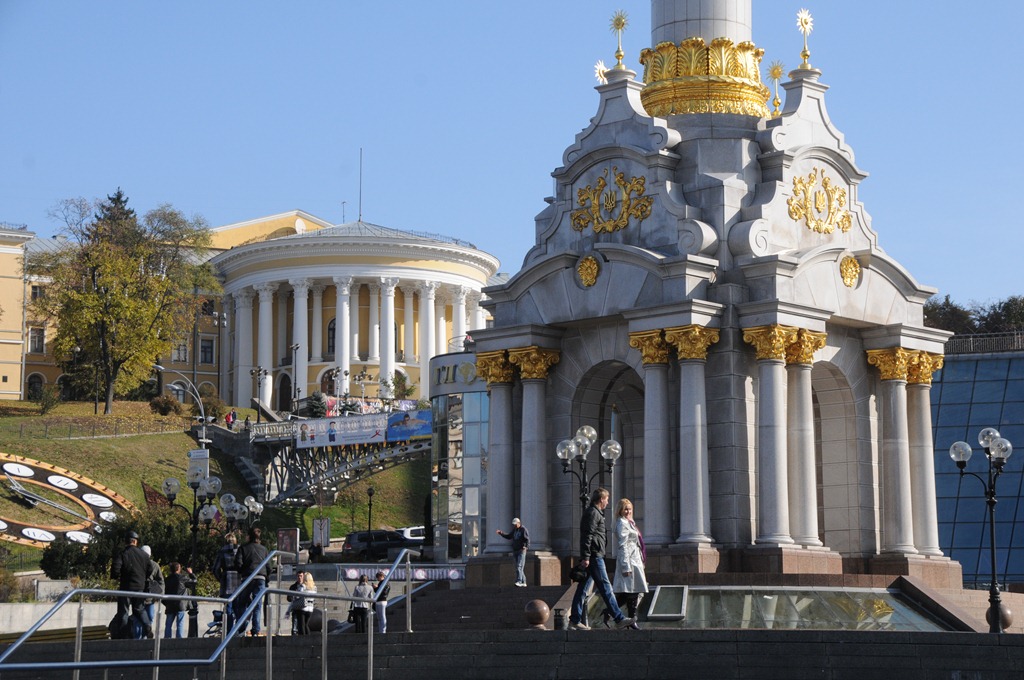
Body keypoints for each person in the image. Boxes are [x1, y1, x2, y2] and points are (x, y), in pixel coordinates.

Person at [568, 488, 636, 631]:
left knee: (582, 590)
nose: (607, 502)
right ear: (601, 499)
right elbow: (587, 535)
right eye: (606, 499)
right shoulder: (593, 513)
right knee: (606, 587)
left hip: (594, 555)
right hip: (594, 557)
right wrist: (586, 557)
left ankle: (574, 620)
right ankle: (619, 619)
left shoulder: (596, 513)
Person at [608, 498, 648, 628]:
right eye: (625, 509)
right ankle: (631, 619)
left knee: (633, 591)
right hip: (629, 560)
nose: (628, 511)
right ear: (620, 510)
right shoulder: (622, 523)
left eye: (630, 509)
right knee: (632, 591)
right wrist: (626, 566)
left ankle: (611, 612)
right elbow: (623, 546)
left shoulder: (630, 522)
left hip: (635, 559)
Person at [110, 530, 153, 639]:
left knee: (124, 611)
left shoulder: (123, 554)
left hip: (126, 587)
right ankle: (147, 626)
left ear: (126, 541)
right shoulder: (144, 555)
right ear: (135, 541)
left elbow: (115, 568)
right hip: (139, 587)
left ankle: (123, 635)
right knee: (140, 609)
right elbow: (150, 569)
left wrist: (116, 576)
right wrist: (142, 578)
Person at [234, 527, 269, 636]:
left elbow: (238, 564)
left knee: (242, 603)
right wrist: (265, 575)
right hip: (261, 577)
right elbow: (269, 566)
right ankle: (256, 628)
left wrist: (243, 571)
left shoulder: (243, 548)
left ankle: (241, 627)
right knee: (257, 604)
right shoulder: (264, 549)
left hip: (247, 577)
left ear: (249, 536)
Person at [213, 533, 239, 632]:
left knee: (228, 608)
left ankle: (229, 631)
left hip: (227, 581)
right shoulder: (240, 550)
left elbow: (215, 569)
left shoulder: (222, 551)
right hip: (239, 582)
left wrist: (221, 578)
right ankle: (239, 630)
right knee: (238, 608)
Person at [163, 562, 195, 638]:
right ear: (178, 569)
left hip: (170, 604)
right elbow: (194, 582)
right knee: (180, 623)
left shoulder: (167, 579)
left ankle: (166, 640)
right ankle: (179, 640)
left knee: (168, 624)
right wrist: (191, 573)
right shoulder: (182, 578)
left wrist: (165, 603)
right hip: (180, 604)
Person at [495, 517, 530, 587]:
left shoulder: (523, 530)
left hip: (521, 550)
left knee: (519, 566)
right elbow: (509, 536)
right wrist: (501, 533)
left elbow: (527, 539)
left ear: (519, 523)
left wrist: (526, 546)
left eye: (515, 524)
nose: (514, 526)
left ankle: (519, 581)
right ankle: (524, 581)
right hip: (515, 550)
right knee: (518, 567)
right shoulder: (514, 530)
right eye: (514, 524)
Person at [140, 545, 164, 639]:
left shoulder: (155, 565)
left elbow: (160, 580)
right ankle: (140, 638)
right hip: (139, 596)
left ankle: (146, 635)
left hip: (150, 597)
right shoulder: (137, 564)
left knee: (149, 617)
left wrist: (160, 594)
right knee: (139, 618)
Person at [287, 570, 306, 635]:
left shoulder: (306, 586)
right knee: (295, 626)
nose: (299, 578)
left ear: (303, 577)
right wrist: (294, 598)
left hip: (304, 609)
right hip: (296, 608)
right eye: (298, 576)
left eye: (301, 576)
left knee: (303, 626)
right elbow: (288, 598)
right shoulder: (293, 587)